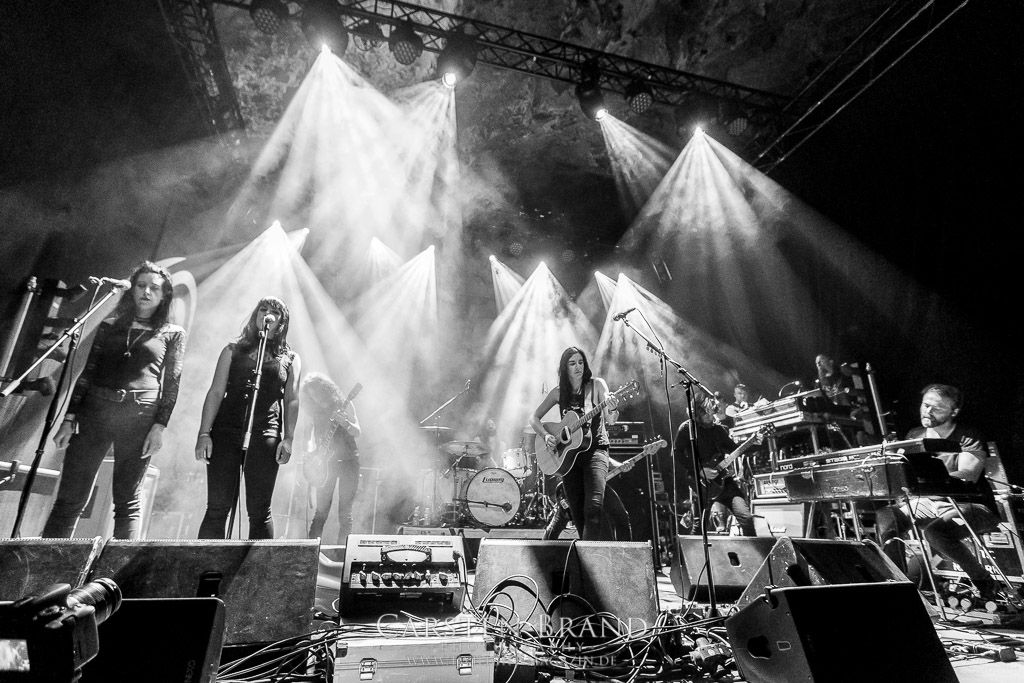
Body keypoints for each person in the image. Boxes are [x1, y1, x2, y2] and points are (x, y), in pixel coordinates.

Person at [42, 261, 186, 539]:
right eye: (141, 285)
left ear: (164, 295)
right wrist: (69, 418)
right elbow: (88, 372)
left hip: (139, 416)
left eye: (154, 288)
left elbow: (172, 384)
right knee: (70, 498)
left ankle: (120, 566)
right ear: (132, 289)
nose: (146, 292)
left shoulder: (173, 333)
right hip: (95, 410)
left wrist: (159, 427)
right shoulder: (109, 325)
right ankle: (50, 560)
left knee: (127, 500)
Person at [874, 383, 1002, 599]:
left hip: (972, 505)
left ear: (954, 411)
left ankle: (986, 584)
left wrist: (926, 485)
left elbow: (968, 474)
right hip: (926, 503)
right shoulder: (915, 434)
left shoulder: (967, 435)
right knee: (887, 516)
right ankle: (899, 585)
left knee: (935, 532)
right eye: (926, 405)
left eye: (938, 408)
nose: (928, 411)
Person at [195, 297, 300, 540]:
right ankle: (206, 560)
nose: (267, 314)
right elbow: (216, 391)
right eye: (263, 309)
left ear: (282, 322)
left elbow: (292, 399)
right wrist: (204, 433)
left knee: (260, 510)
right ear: (255, 315)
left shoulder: (290, 359)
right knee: (217, 507)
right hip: (226, 430)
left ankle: (257, 564)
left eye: (275, 312)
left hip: (266, 433)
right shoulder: (232, 351)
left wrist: (289, 438)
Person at [530, 346, 619, 541]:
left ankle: (593, 552)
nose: (578, 366)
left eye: (581, 362)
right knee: (577, 513)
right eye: (572, 363)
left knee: (594, 508)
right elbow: (534, 418)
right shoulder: (558, 393)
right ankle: (587, 553)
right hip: (569, 458)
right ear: (565, 368)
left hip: (596, 450)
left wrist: (612, 408)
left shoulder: (596, 385)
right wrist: (546, 435)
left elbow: (611, 420)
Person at [674, 398, 756, 536]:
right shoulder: (687, 428)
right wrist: (699, 470)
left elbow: (735, 449)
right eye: (705, 413)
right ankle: (693, 551)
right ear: (696, 415)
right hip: (701, 485)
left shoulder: (718, 430)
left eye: (711, 412)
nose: (710, 415)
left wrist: (754, 443)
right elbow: (677, 454)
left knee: (746, 518)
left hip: (724, 482)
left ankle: (753, 549)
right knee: (699, 528)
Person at [298, 373, 360, 545]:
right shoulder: (312, 411)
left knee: (345, 513)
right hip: (325, 464)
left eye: (316, 392)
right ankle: (310, 551)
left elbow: (357, 431)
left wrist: (346, 423)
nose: (315, 397)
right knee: (321, 511)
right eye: (310, 395)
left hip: (349, 461)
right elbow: (307, 437)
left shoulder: (344, 403)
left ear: (325, 389)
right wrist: (310, 454)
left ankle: (343, 552)